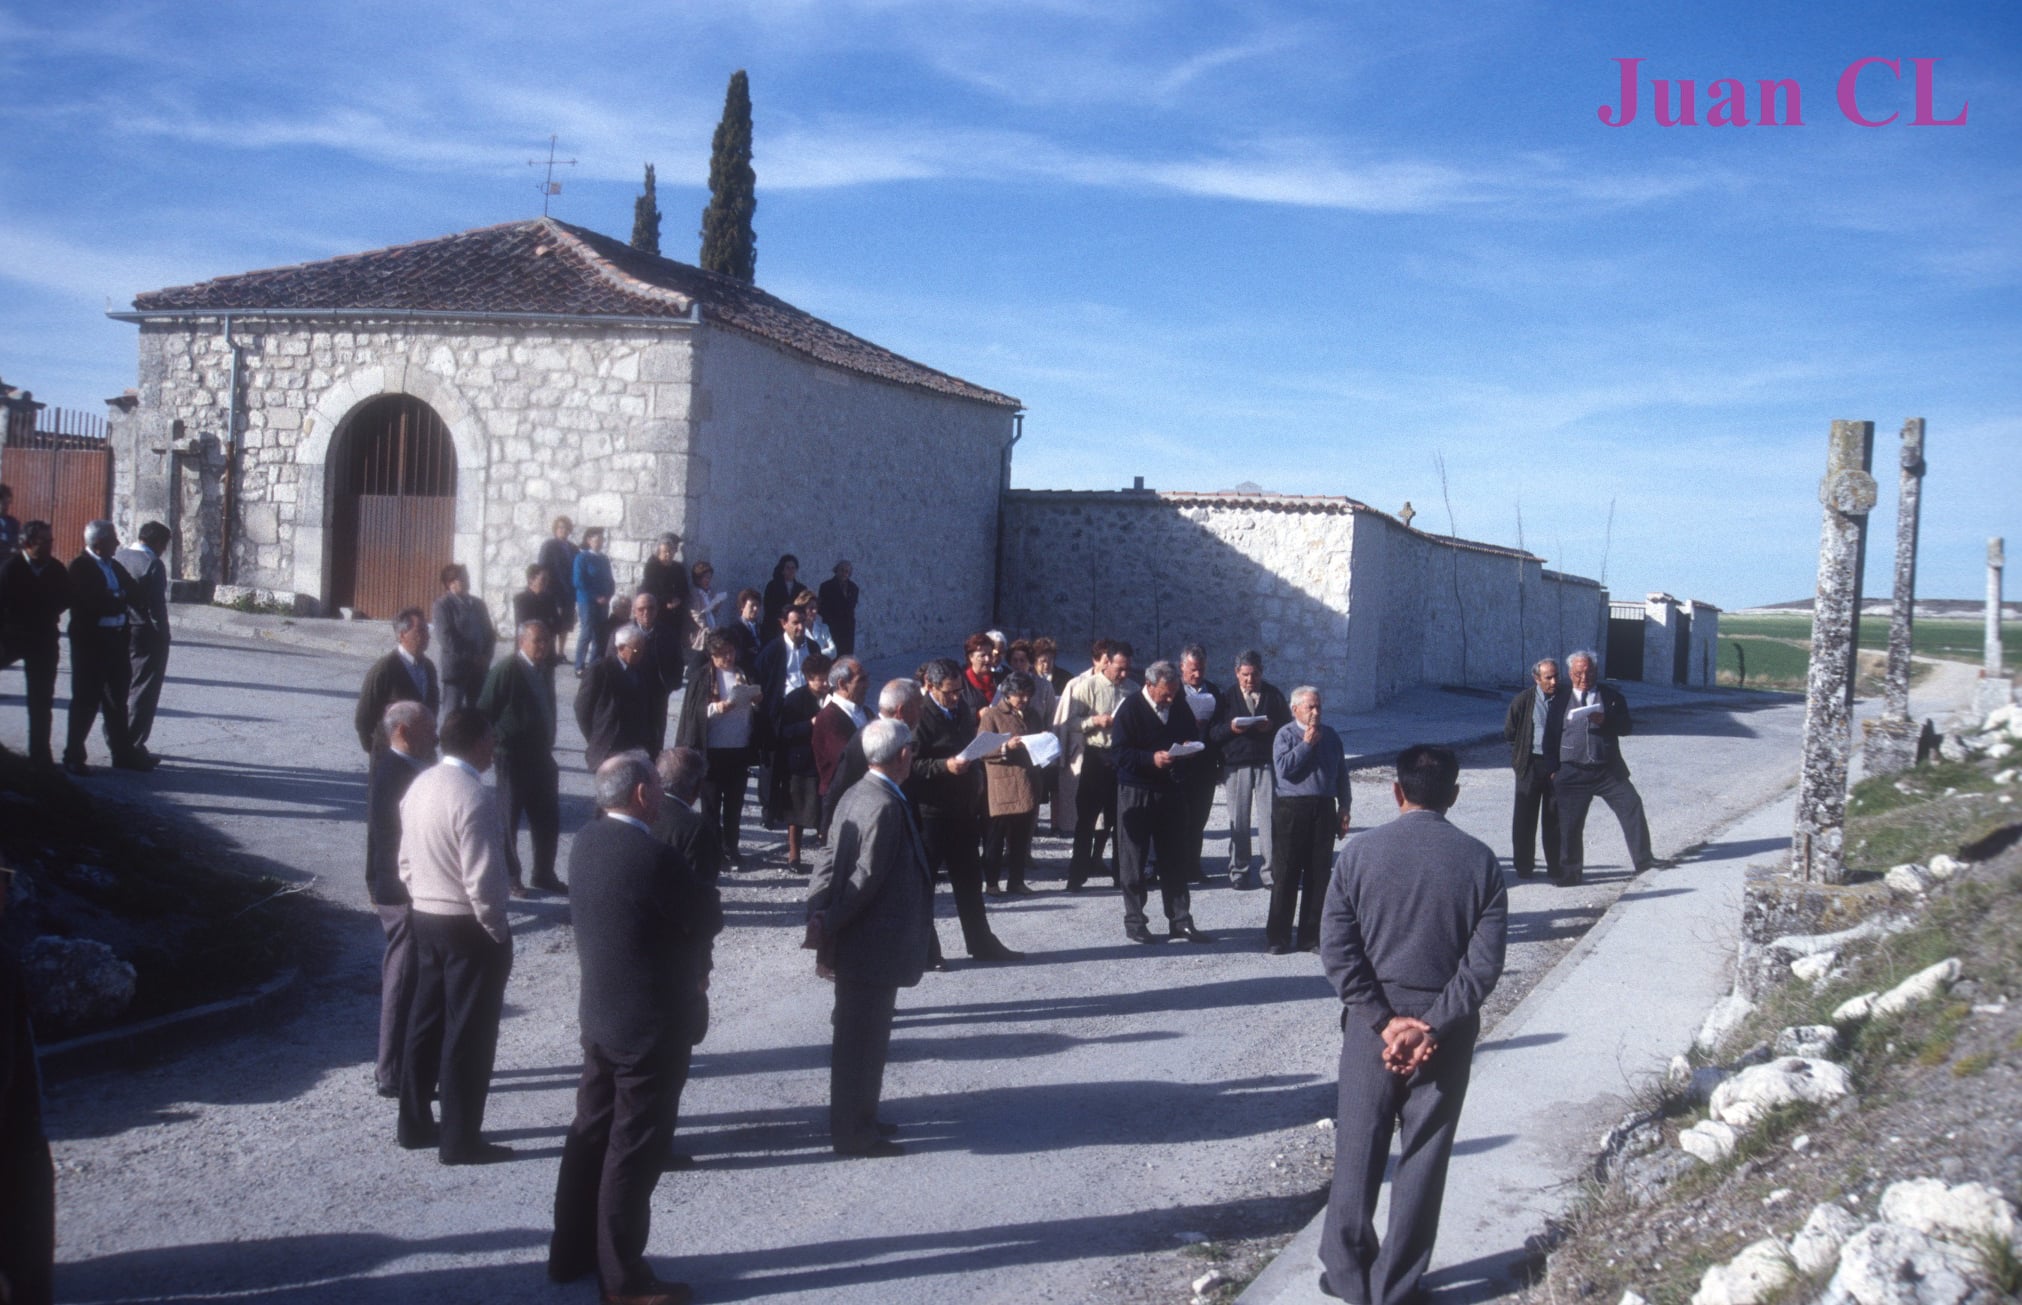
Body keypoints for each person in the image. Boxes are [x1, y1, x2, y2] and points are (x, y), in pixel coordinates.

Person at [1317, 744, 1506, 1305]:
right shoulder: (1481, 862)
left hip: (1370, 1027)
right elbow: (1483, 964)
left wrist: (1381, 1020)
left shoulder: (1358, 856)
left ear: (1396, 792)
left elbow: (1337, 948)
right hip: (1443, 1034)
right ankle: (1397, 1284)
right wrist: (1430, 1027)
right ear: (1452, 795)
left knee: (1358, 1144)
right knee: (1424, 1153)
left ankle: (1349, 1277)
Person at [548, 751, 720, 1305]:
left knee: (590, 1133)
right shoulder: (651, 856)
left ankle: (570, 1251)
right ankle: (622, 1280)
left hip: (600, 1015)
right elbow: (707, 913)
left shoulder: (587, 841)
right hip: (650, 1024)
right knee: (633, 1150)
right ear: (644, 794)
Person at [807, 718, 935, 1158]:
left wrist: (819, 911)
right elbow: (866, 878)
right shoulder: (883, 804)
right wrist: (829, 920)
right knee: (859, 1043)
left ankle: (863, 1116)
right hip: (871, 944)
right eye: (912, 751)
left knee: (866, 1039)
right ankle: (852, 1132)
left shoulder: (857, 792)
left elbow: (828, 856)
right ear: (902, 756)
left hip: (863, 943)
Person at [397, 708, 516, 1166]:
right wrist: (495, 928)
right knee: (469, 1034)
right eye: (490, 739)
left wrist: (421, 894)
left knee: (424, 1022)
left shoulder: (419, 784)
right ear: (476, 742)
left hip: (425, 914)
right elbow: (484, 881)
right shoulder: (476, 797)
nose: (493, 748)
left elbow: (404, 860)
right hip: (468, 924)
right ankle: (460, 1139)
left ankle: (413, 1123)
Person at [913, 659, 1022, 962]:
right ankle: (926, 950)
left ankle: (981, 943)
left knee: (970, 881)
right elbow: (911, 764)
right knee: (925, 885)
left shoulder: (960, 709)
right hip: (931, 813)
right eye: (949, 693)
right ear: (931, 687)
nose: (955, 698)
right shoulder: (919, 715)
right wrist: (944, 766)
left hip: (961, 810)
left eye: (959, 691)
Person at [1111, 660, 1212, 944]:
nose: (1170, 699)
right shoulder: (1130, 709)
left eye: (1174, 693)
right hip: (1136, 790)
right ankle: (1135, 921)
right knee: (1134, 858)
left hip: (1170, 791)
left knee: (1175, 857)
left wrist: (1189, 751)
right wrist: (1150, 759)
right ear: (1149, 685)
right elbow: (1118, 754)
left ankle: (1180, 920)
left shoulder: (1178, 705)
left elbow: (1191, 736)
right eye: (1165, 694)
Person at [365, 700, 436, 1098]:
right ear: (403, 732)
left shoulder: (400, 769)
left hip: (398, 887)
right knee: (402, 979)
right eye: (427, 728)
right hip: (403, 892)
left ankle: (406, 1065)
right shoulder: (398, 773)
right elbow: (391, 840)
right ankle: (390, 1072)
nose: (436, 735)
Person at [1553, 650, 1657, 886]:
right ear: (1570, 673)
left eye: (1589, 672)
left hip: (1608, 770)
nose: (1584, 677)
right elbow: (1549, 736)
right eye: (1578, 673)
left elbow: (1626, 727)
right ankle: (1571, 872)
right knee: (1569, 823)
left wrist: (1607, 721)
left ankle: (1644, 860)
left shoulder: (1611, 697)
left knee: (1632, 805)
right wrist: (1552, 768)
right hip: (1572, 770)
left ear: (1596, 672)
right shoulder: (1559, 699)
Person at [478, 621, 567, 896]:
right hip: (512, 756)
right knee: (509, 819)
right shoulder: (506, 670)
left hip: (541, 755)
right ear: (522, 642)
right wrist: (493, 745)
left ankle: (543, 873)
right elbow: (484, 711)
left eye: (547, 641)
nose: (543, 647)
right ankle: (510, 875)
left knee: (547, 818)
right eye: (537, 641)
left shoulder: (545, 669)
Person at [1269, 687, 1354, 954]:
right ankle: (1278, 936)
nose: (1316, 712)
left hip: (1323, 807)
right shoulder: (1285, 735)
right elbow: (1284, 770)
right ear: (1295, 710)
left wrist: (1345, 807)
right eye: (1310, 707)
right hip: (1292, 808)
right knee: (1286, 873)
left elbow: (1341, 773)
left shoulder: (1331, 736)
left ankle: (1311, 936)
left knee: (1319, 875)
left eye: (1318, 707)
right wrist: (1306, 744)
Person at [64, 520, 151, 775]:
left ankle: (122, 754)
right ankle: (73, 755)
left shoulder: (113, 566)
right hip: (91, 643)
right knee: (86, 700)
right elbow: (94, 602)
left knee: (117, 700)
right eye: (113, 539)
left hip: (116, 640)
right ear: (99, 544)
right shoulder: (80, 567)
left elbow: (135, 594)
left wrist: (116, 597)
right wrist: (117, 597)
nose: (118, 543)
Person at [673, 633, 762, 869]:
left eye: (731, 652)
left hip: (739, 748)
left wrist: (755, 700)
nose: (729, 657)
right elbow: (693, 714)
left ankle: (732, 847)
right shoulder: (702, 678)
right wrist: (717, 708)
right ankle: (713, 850)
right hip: (712, 750)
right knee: (711, 806)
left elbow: (757, 707)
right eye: (723, 654)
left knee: (735, 804)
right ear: (712, 655)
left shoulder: (742, 673)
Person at [1210, 650, 1294, 889]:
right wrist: (1231, 729)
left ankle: (1270, 873)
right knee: (1239, 819)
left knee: (1269, 819)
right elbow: (1214, 733)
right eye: (1245, 675)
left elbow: (1287, 729)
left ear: (1261, 672)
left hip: (1266, 764)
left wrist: (1272, 727)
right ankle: (1239, 871)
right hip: (1237, 766)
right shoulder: (1226, 698)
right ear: (1237, 673)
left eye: (1254, 674)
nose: (1250, 680)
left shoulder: (1273, 695)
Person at [1064, 639, 1133, 891]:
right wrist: (1094, 721)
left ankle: (1121, 875)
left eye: (1127, 669)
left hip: (1121, 759)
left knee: (1121, 819)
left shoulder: (1133, 690)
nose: (1123, 675)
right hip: (1095, 757)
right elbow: (1069, 722)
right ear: (1107, 663)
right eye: (1119, 669)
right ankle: (1077, 875)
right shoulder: (1087, 687)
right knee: (1086, 820)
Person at [0, 520, 69, 766]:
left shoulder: (57, 570)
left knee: (41, 700)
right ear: (28, 544)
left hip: (43, 641)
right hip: (11, 638)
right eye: (45, 542)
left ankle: (40, 755)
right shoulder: (10, 569)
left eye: (51, 541)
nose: (51, 546)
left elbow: (65, 599)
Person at [979, 671, 1044, 896]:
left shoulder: (1033, 714)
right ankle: (992, 883)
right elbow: (981, 749)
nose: (1024, 700)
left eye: (1028, 695)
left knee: (1020, 837)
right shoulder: (992, 715)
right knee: (996, 837)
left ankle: (1017, 881)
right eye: (1020, 695)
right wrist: (1006, 746)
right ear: (1007, 694)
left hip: (1026, 781)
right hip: (1002, 784)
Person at [1503, 658, 1567, 880]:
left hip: (1555, 765)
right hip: (1530, 765)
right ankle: (1524, 866)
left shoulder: (1566, 698)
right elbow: (1510, 731)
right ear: (1536, 679)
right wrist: (1521, 756)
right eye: (1548, 677)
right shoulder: (1523, 700)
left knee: (1554, 817)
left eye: (1556, 675)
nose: (1553, 681)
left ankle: (1556, 867)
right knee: (1524, 818)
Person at [113, 520, 173, 760]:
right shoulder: (153, 564)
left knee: (120, 687)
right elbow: (157, 607)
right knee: (143, 689)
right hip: (144, 632)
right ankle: (134, 744)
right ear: (158, 542)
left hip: (119, 628)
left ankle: (117, 740)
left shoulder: (119, 556)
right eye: (164, 545)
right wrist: (164, 635)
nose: (164, 550)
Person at [772, 652, 831, 869]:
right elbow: (784, 732)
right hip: (800, 761)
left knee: (824, 809)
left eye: (827, 678)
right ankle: (794, 854)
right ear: (809, 678)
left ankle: (827, 854)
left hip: (823, 762)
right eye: (820, 679)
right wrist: (810, 724)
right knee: (796, 810)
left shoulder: (832, 697)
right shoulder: (795, 699)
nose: (825, 683)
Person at [354, 608, 440, 754]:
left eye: (427, 630)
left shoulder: (428, 667)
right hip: (392, 754)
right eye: (420, 631)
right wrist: (377, 751)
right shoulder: (385, 669)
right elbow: (363, 719)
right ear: (402, 635)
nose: (427, 636)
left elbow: (432, 706)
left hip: (423, 752)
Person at [576, 625, 659, 771]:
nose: (640, 654)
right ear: (620, 648)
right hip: (609, 747)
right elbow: (582, 709)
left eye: (642, 649)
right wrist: (597, 737)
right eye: (636, 650)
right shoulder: (600, 670)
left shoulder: (643, 670)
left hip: (636, 747)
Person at [1177, 645, 1223, 885]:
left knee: (1199, 819)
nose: (1197, 675)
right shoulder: (1173, 691)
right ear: (1182, 667)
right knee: (1177, 819)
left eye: (1201, 670)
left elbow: (1220, 726)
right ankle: (1173, 867)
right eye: (1193, 670)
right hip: (1179, 765)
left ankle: (1194, 866)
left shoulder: (1213, 691)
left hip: (1204, 766)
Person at [812, 657, 869, 842]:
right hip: (841, 803)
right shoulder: (829, 718)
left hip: (863, 799)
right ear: (842, 684)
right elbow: (847, 759)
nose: (867, 685)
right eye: (861, 680)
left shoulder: (865, 712)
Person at [431, 563, 497, 717]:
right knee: (452, 715)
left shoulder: (478, 604)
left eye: (467, 577)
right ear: (450, 583)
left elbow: (489, 633)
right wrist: (472, 657)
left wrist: (486, 657)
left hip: (479, 669)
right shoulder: (443, 605)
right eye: (463, 578)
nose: (467, 581)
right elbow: (446, 638)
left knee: (478, 714)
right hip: (456, 670)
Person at [621, 591, 683, 747]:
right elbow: (611, 663)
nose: (646, 612)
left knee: (655, 738)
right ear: (634, 612)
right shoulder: (622, 634)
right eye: (641, 609)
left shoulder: (667, 633)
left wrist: (671, 684)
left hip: (657, 694)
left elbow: (678, 661)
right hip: (631, 694)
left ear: (657, 610)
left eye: (651, 608)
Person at [572, 528, 616, 675]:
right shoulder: (582, 558)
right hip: (587, 601)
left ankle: (594, 665)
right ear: (589, 541)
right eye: (596, 540)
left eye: (601, 540)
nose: (599, 543)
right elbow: (579, 581)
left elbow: (610, 579)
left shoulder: (603, 559)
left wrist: (608, 595)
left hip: (603, 602)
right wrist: (595, 596)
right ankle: (579, 665)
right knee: (587, 632)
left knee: (600, 633)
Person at [537, 516, 579, 658]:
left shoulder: (573, 548)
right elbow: (542, 567)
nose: (564, 530)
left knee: (565, 624)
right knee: (553, 621)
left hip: (568, 591)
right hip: (553, 590)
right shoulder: (549, 546)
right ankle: (550, 651)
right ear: (555, 529)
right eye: (561, 527)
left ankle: (561, 652)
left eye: (566, 528)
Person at [512, 565, 567, 669]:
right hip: (528, 651)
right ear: (531, 580)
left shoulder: (549, 599)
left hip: (547, 652)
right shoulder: (521, 599)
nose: (546, 583)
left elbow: (558, 625)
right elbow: (524, 623)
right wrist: (547, 622)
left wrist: (547, 623)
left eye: (547, 580)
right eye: (543, 579)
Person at [684, 561, 726, 676]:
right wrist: (706, 628)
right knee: (701, 651)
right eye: (705, 578)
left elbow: (710, 609)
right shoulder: (695, 593)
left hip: (710, 624)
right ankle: (690, 672)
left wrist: (716, 605)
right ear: (698, 579)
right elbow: (695, 613)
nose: (708, 580)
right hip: (700, 629)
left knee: (706, 651)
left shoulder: (709, 592)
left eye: (709, 578)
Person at [637, 532, 691, 614]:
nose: (668, 554)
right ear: (658, 553)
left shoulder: (678, 568)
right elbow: (650, 590)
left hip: (675, 613)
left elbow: (684, 590)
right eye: (665, 552)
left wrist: (678, 599)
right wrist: (666, 602)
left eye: (671, 551)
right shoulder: (652, 568)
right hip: (656, 612)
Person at [817, 560, 860, 656]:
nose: (844, 573)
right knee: (833, 653)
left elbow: (851, 606)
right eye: (842, 570)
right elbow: (820, 607)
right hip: (832, 626)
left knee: (846, 654)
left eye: (847, 571)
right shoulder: (826, 586)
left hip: (847, 627)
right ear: (836, 570)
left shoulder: (853, 588)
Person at [722, 588, 764, 678]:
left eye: (757, 605)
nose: (755, 609)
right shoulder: (734, 629)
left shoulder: (763, 628)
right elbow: (737, 655)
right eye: (752, 605)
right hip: (745, 674)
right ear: (742, 607)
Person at [762, 553, 808, 633]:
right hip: (775, 627)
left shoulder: (802, 589)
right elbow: (769, 608)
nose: (791, 571)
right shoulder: (772, 586)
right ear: (782, 570)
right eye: (788, 568)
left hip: (795, 626)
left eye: (793, 568)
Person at [958, 632, 998, 714]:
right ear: (970, 657)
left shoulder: (999, 679)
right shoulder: (961, 682)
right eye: (982, 656)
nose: (987, 659)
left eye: (990, 655)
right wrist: (976, 714)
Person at [794, 589, 838, 659]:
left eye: (816, 608)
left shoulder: (824, 628)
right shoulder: (797, 630)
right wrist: (824, 650)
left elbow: (833, 652)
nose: (815, 611)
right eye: (811, 608)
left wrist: (811, 653)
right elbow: (799, 656)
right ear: (802, 609)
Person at [0, 483, 18, 566]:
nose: (6, 506)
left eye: (8, 502)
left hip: (7, 565)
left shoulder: (13, 523)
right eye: (3, 502)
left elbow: (17, 543)